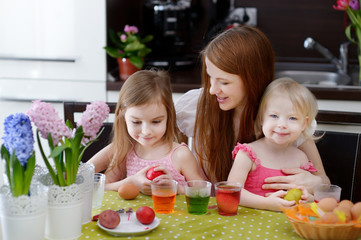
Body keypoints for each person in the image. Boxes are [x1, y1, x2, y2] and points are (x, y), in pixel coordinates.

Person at [175, 26, 330, 193]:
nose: (212, 90)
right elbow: (165, 155)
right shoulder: (195, 107)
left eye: (224, 82)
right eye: (210, 77)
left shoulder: (283, 116)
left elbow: (324, 182)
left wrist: (314, 183)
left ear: (252, 79)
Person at [88, 69, 205, 195]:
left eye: (156, 122)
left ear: (168, 116)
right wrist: (130, 181)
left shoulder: (181, 155)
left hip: (174, 214)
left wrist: (177, 188)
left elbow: (203, 192)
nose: (146, 131)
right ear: (122, 115)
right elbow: (102, 187)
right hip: (134, 215)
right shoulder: (126, 150)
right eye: (136, 122)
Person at [228, 78, 318, 211]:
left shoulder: (301, 158)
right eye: (274, 116)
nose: (282, 125)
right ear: (262, 119)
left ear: (304, 124)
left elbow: (310, 195)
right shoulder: (247, 154)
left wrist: (307, 197)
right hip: (249, 222)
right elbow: (233, 191)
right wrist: (266, 203)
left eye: (292, 118)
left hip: (287, 225)